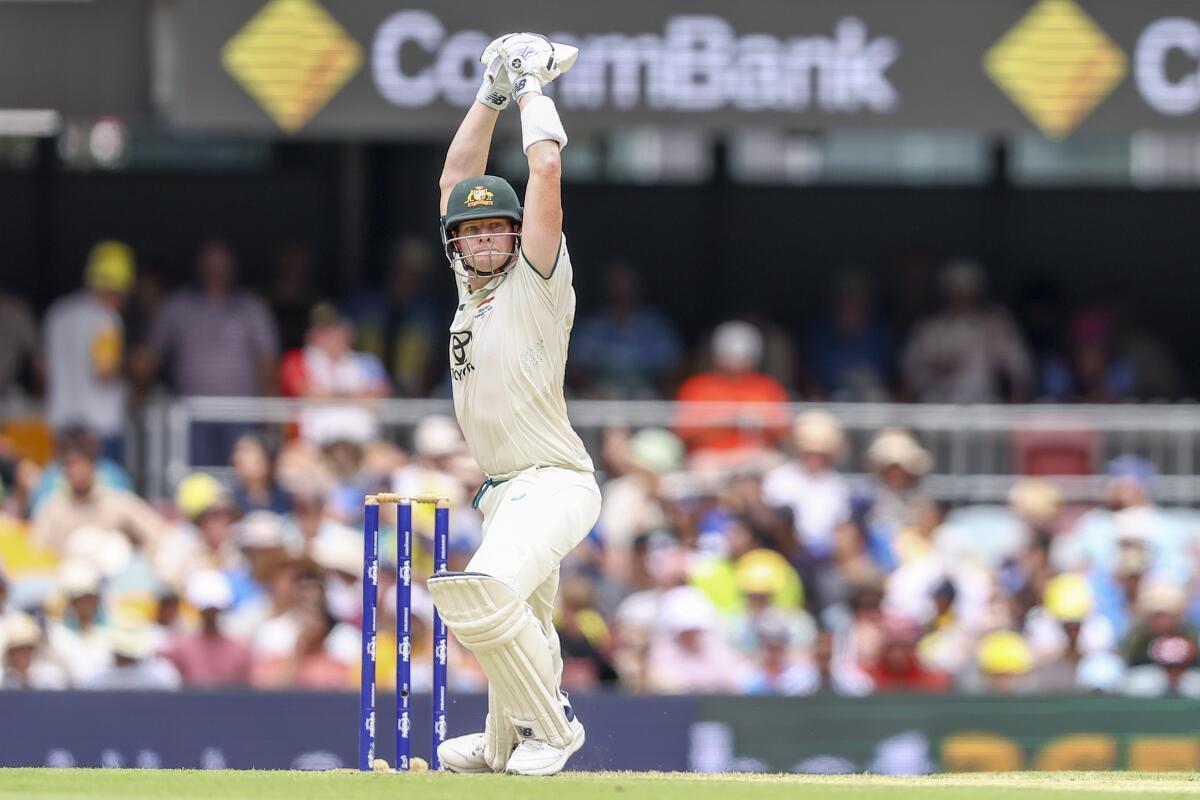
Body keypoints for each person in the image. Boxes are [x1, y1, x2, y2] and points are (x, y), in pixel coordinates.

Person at [423, 33, 600, 777]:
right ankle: (502, 746)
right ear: (459, 246)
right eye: (472, 231)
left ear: (516, 233)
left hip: (555, 480)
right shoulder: (471, 291)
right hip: (502, 491)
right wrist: (488, 91)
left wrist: (529, 87)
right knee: (520, 618)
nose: (486, 238)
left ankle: (553, 728)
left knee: (480, 593)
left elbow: (547, 163)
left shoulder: (536, 277)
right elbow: (453, 181)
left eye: (497, 225)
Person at [139, 239, 279, 464]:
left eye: (221, 264)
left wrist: (266, 410)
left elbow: (268, 361)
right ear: (199, 266)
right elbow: (150, 356)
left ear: (232, 268)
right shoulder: (177, 306)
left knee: (239, 477)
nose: (216, 270)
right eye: (211, 264)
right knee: (196, 483)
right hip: (191, 415)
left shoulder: (252, 308)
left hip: (241, 413)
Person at [42, 241, 135, 461]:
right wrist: (130, 369)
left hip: (60, 424)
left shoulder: (58, 313)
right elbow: (105, 373)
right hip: (100, 429)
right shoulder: (107, 320)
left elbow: (41, 370)